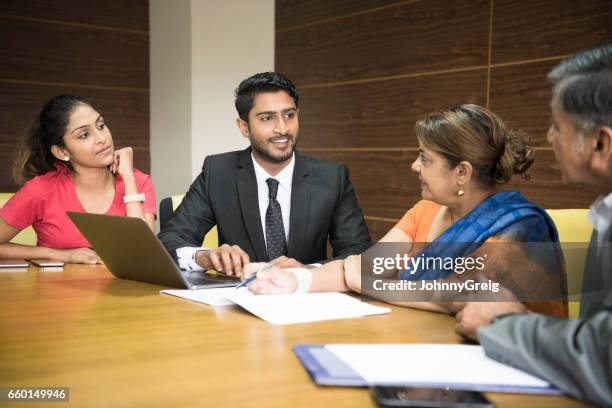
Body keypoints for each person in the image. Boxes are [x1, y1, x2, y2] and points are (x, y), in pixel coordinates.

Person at [244, 104, 566, 316]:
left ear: (462, 172)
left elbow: (460, 299)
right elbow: (365, 268)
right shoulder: (425, 210)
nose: (415, 166)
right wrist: (295, 281)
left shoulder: (517, 228)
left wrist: (371, 284)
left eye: (425, 158)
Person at [454, 44, 612, 406]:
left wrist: (503, 325)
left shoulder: (519, 225)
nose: (550, 137)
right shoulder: (604, 213)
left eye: (557, 126)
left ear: (600, 143)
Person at [158, 72, 371, 276]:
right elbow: (169, 240)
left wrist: (309, 272)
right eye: (267, 118)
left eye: (289, 115)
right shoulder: (218, 173)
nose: (282, 129)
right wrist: (204, 256)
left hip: (306, 302)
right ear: (244, 127)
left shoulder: (331, 178)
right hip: (237, 301)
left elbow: (360, 253)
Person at [0, 94, 156, 264]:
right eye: (84, 135)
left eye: (101, 126)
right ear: (62, 152)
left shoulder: (137, 182)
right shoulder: (42, 190)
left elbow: (144, 253)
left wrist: (128, 177)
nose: (102, 139)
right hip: (57, 288)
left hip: (123, 289)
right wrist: (58, 254)